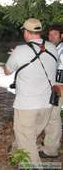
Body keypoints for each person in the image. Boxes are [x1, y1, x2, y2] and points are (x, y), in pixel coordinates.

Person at [4, 18, 58, 166]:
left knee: (26, 139)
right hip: (47, 104)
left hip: (27, 106)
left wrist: (13, 54)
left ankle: (33, 166)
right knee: (30, 135)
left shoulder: (20, 50)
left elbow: (7, 71)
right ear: (40, 31)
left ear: (26, 32)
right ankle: (17, 152)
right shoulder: (53, 48)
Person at [38, 24, 63, 159]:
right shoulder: (54, 48)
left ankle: (51, 150)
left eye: (55, 34)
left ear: (61, 35)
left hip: (58, 85)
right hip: (52, 84)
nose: (51, 37)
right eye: (50, 34)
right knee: (50, 114)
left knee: (53, 117)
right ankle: (49, 143)